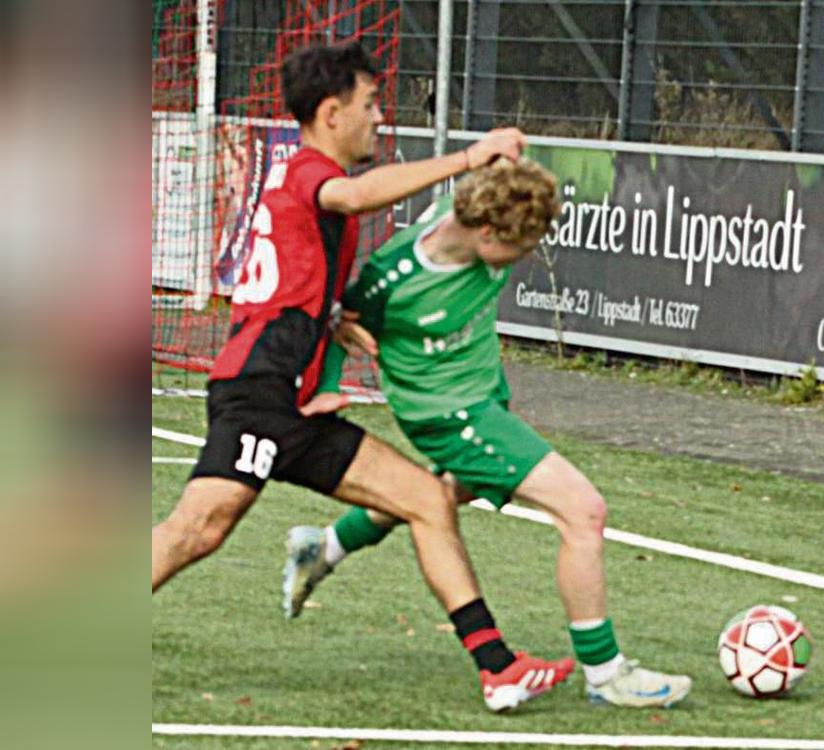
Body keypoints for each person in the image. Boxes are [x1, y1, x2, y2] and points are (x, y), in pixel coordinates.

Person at [152, 41, 574, 713]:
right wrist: (469, 157)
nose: (379, 117)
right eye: (371, 104)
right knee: (197, 531)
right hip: (259, 395)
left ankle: (497, 668)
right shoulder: (311, 174)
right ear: (330, 111)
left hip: (293, 402)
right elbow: (349, 198)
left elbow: (296, 283)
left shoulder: (307, 181)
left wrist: (333, 325)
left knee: (426, 500)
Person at [282, 157, 693, 709]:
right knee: (583, 510)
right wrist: (329, 383)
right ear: (484, 232)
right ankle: (606, 672)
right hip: (448, 414)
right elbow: (340, 321)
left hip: (484, 399)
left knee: (445, 492)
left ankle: (324, 545)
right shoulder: (395, 275)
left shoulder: (480, 219)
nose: (526, 256)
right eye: (519, 246)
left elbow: (506, 180)